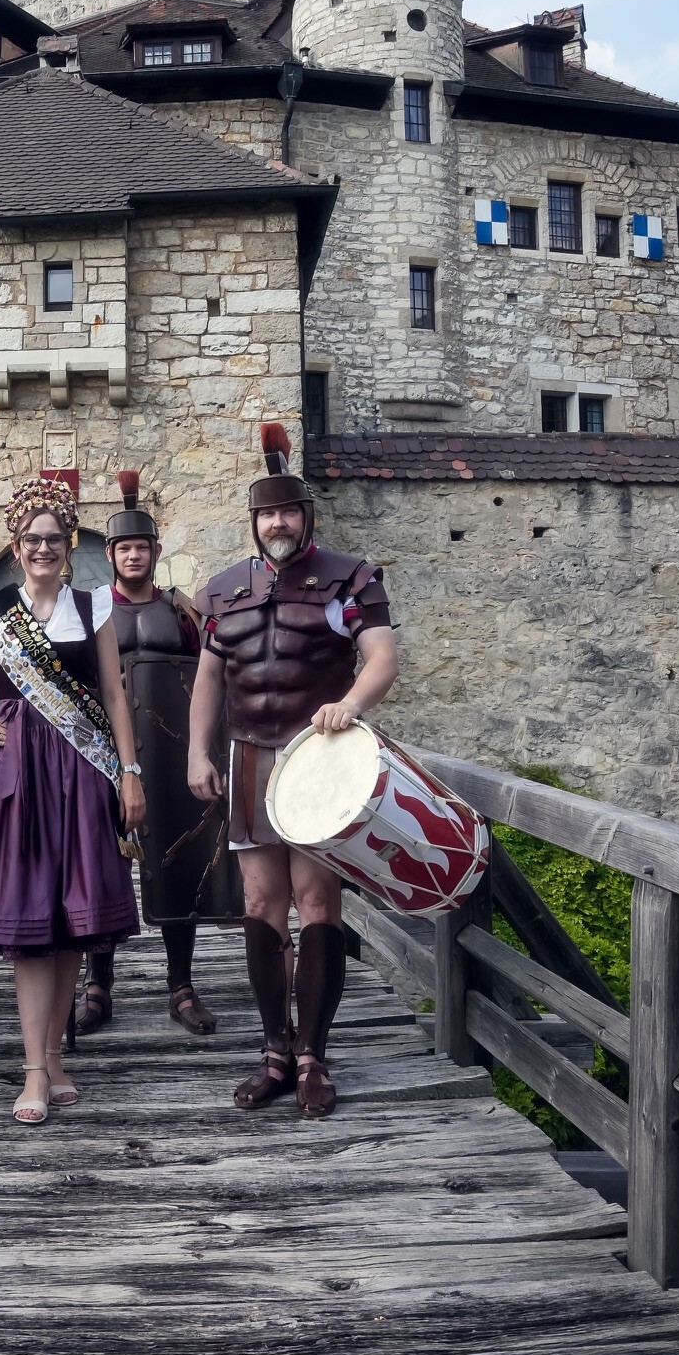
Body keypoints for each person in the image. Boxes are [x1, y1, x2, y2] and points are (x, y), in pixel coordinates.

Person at [0, 475, 145, 1126]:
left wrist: (129, 772)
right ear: (16, 548)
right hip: (20, 774)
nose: (44, 548)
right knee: (33, 924)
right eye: (32, 539)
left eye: (54, 539)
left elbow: (114, 694)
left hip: (84, 773)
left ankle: (54, 1057)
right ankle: (33, 1071)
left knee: (73, 923)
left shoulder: (93, 607)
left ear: (69, 545)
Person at [188, 424, 398, 1118]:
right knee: (259, 905)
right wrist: (197, 752)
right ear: (253, 522)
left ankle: (313, 1056)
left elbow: (382, 659)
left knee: (316, 904)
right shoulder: (222, 592)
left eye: (287, 511)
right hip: (250, 756)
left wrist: (349, 705)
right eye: (266, 514)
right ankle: (275, 1051)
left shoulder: (350, 579)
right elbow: (209, 680)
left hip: (319, 760)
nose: (277, 523)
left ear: (307, 516)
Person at [74, 469, 232, 1038]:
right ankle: (98, 983)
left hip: (168, 752)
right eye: (124, 548)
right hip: (104, 752)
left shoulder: (182, 614)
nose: (133, 555)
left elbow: (210, 676)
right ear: (110, 554)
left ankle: (181, 984)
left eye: (141, 547)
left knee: (175, 860)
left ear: (156, 552)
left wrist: (205, 749)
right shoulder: (89, 612)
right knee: (101, 862)